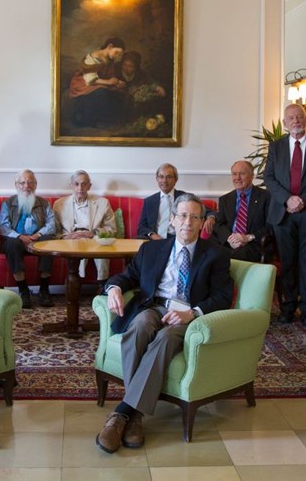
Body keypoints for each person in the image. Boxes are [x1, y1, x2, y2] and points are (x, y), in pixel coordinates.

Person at [96, 194, 233, 453]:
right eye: (182, 215)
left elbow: (223, 296)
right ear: (171, 220)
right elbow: (128, 276)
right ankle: (134, 415)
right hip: (155, 305)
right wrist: (113, 288)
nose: (187, 222)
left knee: (166, 338)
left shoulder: (216, 255)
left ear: (202, 221)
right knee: (138, 326)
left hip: (187, 314)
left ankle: (123, 414)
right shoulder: (151, 249)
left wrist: (192, 313)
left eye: (194, 217)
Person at [263, 104, 306, 325]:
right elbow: (269, 178)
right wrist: (287, 199)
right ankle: (288, 306)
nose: (296, 121)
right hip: (283, 213)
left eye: (300, 117)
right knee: (288, 262)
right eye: (291, 118)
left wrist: (303, 200)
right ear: (284, 123)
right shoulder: (276, 147)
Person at [0, 170, 57, 308]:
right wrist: (20, 236)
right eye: (22, 182)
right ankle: (23, 290)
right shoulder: (8, 203)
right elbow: (3, 227)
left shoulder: (43, 203)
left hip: (38, 240)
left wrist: (38, 235)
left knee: (49, 242)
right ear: (16, 185)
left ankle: (44, 290)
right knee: (12, 244)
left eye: (30, 182)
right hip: (16, 241)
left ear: (35, 185)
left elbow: (52, 224)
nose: (26, 186)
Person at [53, 170, 117, 285]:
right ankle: (75, 285)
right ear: (71, 185)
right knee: (78, 246)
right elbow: (55, 230)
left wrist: (91, 233)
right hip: (70, 239)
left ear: (89, 186)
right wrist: (64, 237)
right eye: (76, 184)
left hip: (94, 237)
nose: (80, 188)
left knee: (103, 248)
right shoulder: (59, 204)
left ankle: (102, 285)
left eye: (84, 184)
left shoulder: (103, 203)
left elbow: (111, 229)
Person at [210, 160, 270, 262]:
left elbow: (270, 226)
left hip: (253, 244)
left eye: (242, 174)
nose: (237, 178)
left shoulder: (266, 197)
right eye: (234, 174)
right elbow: (218, 223)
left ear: (252, 176)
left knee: (233, 255)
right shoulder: (225, 199)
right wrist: (229, 238)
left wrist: (248, 237)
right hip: (229, 242)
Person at [135, 163, 214, 239]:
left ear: (175, 179)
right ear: (157, 179)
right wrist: (153, 235)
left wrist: (210, 218)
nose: (164, 180)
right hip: (155, 240)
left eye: (169, 177)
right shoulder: (149, 201)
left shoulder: (185, 198)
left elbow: (209, 211)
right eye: (161, 177)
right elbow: (142, 227)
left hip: (178, 239)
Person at [68, 37, 127, 128]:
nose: (117, 56)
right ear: (110, 46)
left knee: (119, 90)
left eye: (119, 54)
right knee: (101, 91)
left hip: (99, 81)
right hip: (83, 83)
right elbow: (90, 79)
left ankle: (111, 119)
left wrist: (117, 82)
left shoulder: (109, 59)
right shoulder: (93, 58)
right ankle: (98, 119)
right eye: (116, 52)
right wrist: (109, 82)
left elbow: (109, 75)